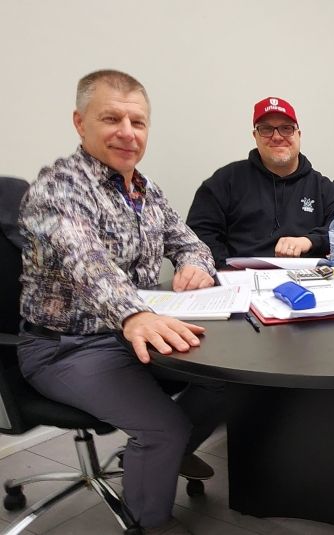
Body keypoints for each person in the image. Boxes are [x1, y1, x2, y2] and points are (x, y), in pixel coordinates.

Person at [17, 70, 224, 533]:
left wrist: (194, 265)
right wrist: (133, 314)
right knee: (163, 426)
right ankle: (150, 520)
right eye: (112, 118)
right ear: (80, 122)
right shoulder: (59, 188)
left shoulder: (143, 191)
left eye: (138, 122)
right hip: (64, 346)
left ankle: (160, 456)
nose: (127, 133)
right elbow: (86, 261)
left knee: (228, 379)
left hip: (132, 333)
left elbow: (190, 242)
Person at [187, 97, 334, 268]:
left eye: (286, 128)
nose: (277, 137)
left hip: (308, 279)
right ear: (255, 136)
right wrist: (224, 270)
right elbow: (198, 234)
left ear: (298, 134)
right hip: (241, 281)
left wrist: (309, 240)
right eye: (267, 129)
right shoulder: (225, 181)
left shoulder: (320, 186)